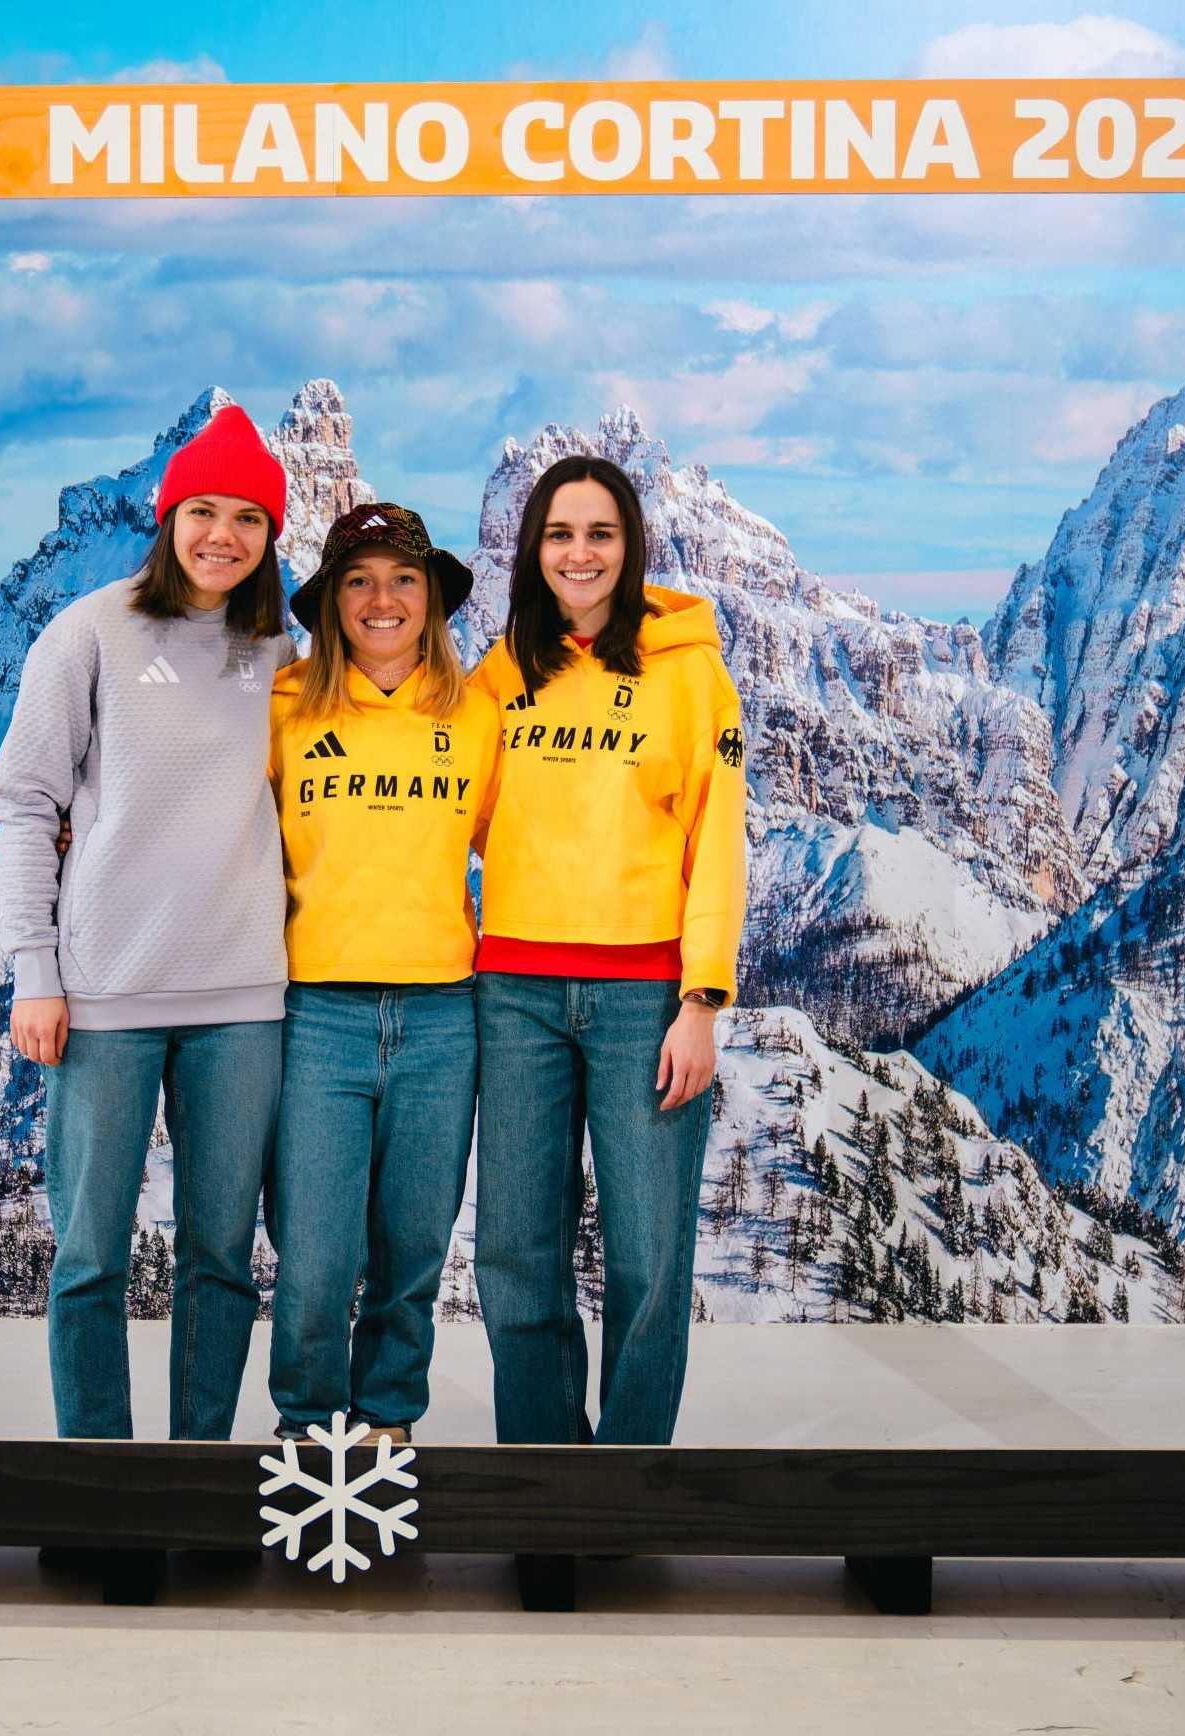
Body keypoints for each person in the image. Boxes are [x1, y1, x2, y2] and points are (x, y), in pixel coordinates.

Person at [0, 403, 295, 1440]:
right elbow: (26, 802)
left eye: (249, 517)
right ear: (168, 517)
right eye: (203, 510)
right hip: (106, 993)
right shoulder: (90, 630)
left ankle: (197, 1471)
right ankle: (99, 1481)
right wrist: (36, 969)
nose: (223, 534)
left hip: (246, 1000)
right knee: (90, 1254)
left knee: (220, 1254)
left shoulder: (281, 654)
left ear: (271, 535)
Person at [468, 453, 748, 1446]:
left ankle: (628, 1482)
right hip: (513, 996)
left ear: (630, 548)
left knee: (648, 1251)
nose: (578, 553)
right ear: (532, 550)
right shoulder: (504, 675)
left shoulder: (688, 673)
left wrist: (702, 1000)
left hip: (644, 998)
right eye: (558, 533)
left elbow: (718, 838)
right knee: (513, 1245)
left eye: (599, 533)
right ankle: (547, 1481)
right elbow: (437, 807)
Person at [265, 502, 499, 1444]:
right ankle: (304, 1425)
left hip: (444, 1014)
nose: (382, 598)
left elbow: (537, 836)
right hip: (316, 1013)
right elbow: (194, 801)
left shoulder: (478, 712)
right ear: (329, 604)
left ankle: (387, 1421)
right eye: (357, 580)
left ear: (434, 599)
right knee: (316, 1251)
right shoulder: (284, 708)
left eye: (404, 579)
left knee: (411, 1245)